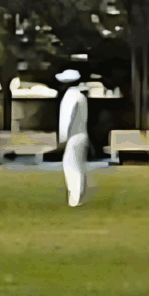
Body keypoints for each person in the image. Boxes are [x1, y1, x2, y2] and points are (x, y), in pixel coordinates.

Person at [55, 69, 92, 208]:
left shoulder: (69, 96)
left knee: (70, 166)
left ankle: (74, 199)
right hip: (83, 134)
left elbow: (66, 118)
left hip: (73, 136)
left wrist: (62, 138)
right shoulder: (81, 96)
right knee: (79, 166)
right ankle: (78, 196)